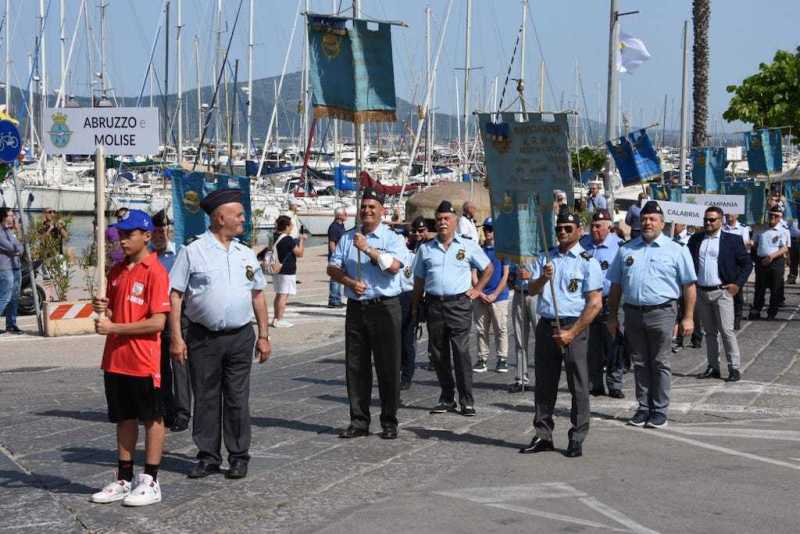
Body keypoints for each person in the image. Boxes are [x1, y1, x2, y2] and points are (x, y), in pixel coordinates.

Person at [169, 189, 272, 480]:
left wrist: (264, 335)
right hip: (203, 337)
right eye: (238, 214)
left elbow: (258, 296)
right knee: (206, 397)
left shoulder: (245, 253)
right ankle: (208, 456)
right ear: (219, 217)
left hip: (241, 336)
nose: (243, 219)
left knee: (238, 399)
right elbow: (175, 296)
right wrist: (177, 338)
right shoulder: (193, 251)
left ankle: (239, 456)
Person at [88, 209, 171, 507]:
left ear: (146, 235)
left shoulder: (156, 272)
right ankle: (124, 478)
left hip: (143, 360)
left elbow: (157, 322)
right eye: (120, 234)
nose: (121, 240)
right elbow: (113, 313)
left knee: (151, 418)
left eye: (128, 234)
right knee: (123, 418)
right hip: (115, 358)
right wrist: (102, 309)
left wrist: (115, 327)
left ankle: (150, 480)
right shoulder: (116, 270)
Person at [519, 210, 602, 458]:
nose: (562, 233)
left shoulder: (588, 261)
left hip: (573, 325)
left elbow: (595, 303)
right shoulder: (546, 258)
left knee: (578, 383)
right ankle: (543, 434)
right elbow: (529, 290)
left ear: (579, 231)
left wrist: (572, 332)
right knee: (544, 383)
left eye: (568, 228)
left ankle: (577, 436)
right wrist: (542, 279)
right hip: (547, 324)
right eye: (559, 229)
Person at [607, 201, 697, 429]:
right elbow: (616, 285)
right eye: (644, 219)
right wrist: (612, 316)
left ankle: (659, 410)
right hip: (633, 313)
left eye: (652, 219)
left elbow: (689, 286)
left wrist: (688, 317)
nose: (647, 222)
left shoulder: (677, 249)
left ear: (662, 223)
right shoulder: (627, 249)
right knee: (639, 362)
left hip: (662, 313)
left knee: (660, 362)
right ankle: (643, 407)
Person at [327, 188, 406, 439]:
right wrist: (349, 282)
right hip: (357, 308)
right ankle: (359, 421)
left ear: (382, 211)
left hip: (385, 306)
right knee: (356, 366)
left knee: (388, 366)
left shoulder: (392, 238)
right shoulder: (347, 237)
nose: (367, 211)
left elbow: (394, 267)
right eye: (363, 206)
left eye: (372, 207)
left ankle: (389, 420)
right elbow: (332, 267)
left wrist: (369, 249)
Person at [412, 201, 493, 417]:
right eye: (439, 219)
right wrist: (415, 305)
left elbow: (488, 268)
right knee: (438, 354)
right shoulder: (425, 249)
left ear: (455, 221)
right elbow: (419, 279)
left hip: (459, 304)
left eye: (446, 219)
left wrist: (476, 290)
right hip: (434, 304)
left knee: (461, 352)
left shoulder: (467, 245)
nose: (442, 223)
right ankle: (447, 397)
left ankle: (467, 400)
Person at [688, 207, 753, 383]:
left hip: (722, 291)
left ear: (721, 220)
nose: (708, 223)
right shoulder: (696, 239)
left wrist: (737, 285)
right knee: (709, 332)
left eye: (712, 220)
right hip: (702, 291)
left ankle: (734, 368)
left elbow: (747, 264)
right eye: (706, 220)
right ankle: (713, 367)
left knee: (726, 331)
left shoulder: (732, 240)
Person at [151, 210, 191, 432]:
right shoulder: (148, 257)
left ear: (170, 231)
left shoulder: (181, 253)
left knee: (180, 366)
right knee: (159, 367)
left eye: (162, 230)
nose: (159, 235)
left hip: (177, 314)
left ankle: (183, 412)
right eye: (155, 231)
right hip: (155, 316)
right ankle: (166, 408)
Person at [580, 209, 625, 398]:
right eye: (593, 226)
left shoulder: (620, 246)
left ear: (609, 227)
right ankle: (595, 383)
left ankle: (615, 383)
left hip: (610, 300)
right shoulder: (584, 245)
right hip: (589, 301)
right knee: (592, 344)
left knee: (614, 343)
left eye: (599, 226)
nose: (594, 230)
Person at [471, 218, 510, 374]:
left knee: (500, 329)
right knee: (481, 329)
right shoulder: (478, 250)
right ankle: (482, 358)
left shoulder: (503, 251)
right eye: (486, 228)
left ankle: (502, 358)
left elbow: (505, 275)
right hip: (481, 295)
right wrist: (479, 292)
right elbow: (473, 274)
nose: (488, 231)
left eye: (491, 229)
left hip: (499, 296)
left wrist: (495, 294)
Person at [399, 217, 428, 390]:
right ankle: (400, 369)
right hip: (400, 295)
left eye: (420, 231)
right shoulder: (404, 250)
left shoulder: (428, 248)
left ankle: (407, 376)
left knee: (408, 339)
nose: (417, 234)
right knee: (398, 339)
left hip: (415, 295)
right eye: (414, 231)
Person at [748, 206, 790, 321]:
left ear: (780, 217)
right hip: (761, 261)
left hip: (776, 261)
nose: (772, 217)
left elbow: (785, 248)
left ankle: (772, 312)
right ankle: (756, 309)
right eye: (771, 215)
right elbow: (755, 243)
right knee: (759, 287)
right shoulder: (760, 228)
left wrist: (771, 256)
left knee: (775, 288)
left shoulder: (784, 230)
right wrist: (752, 244)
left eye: (775, 216)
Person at [268, 215, 306, 328]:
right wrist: (302, 240)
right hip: (287, 270)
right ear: (286, 226)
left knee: (279, 294)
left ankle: (276, 318)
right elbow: (299, 253)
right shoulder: (288, 239)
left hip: (276, 269)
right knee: (284, 295)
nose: (292, 227)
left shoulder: (274, 237)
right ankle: (279, 319)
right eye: (291, 225)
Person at [507, 260, 537, 393]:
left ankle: (543, 379)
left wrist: (531, 276)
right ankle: (521, 379)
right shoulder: (516, 254)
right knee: (520, 340)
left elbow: (549, 275)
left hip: (536, 295)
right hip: (519, 294)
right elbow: (510, 274)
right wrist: (512, 279)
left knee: (542, 341)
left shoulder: (540, 251)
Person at [723, 213, 752, 330]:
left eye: (732, 212)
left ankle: (737, 319)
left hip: (737, 263)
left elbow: (746, 245)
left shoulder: (743, 228)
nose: (729, 214)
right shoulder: (722, 227)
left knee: (737, 292)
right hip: (724, 261)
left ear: (737, 214)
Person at [0, 208, 23, 335]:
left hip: (16, 267)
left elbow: (21, 249)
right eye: (10, 215)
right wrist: (17, 249)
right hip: (5, 269)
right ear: (3, 217)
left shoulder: (9, 231)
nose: (13, 217)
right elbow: (12, 248)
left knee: (14, 298)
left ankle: (11, 324)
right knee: (5, 297)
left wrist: (18, 231)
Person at [327, 208, 347, 308]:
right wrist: (335, 257)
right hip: (336, 257)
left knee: (338, 279)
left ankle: (337, 298)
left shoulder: (341, 225)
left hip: (341, 256)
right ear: (339, 216)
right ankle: (333, 300)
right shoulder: (334, 227)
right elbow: (332, 243)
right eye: (345, 214)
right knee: (335, 279)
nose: (347, 215)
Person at [787, 219, 800, 285]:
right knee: (793, 261)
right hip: (793, 240)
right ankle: (792, 278)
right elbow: (787, 227)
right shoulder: (792, 215)